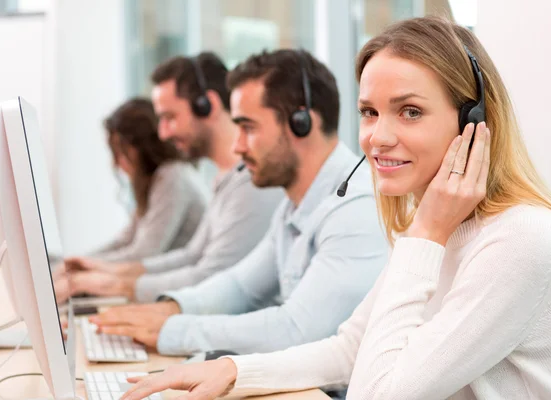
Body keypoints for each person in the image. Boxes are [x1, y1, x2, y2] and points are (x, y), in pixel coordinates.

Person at [118, 17, 551, 400]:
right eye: (369, 111)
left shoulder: (514, 240)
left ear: (473, 123)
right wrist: (233, 371)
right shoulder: (440, 225)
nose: (378, 137)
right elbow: (350, 348)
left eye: (410, 111)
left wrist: (426, 233)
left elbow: (376, 393)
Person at [89, 49, 387, 359]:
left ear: (301, 123)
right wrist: (170, 308)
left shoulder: (355, 209)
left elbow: (295, 330)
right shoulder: (293, 207)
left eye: (248, 128)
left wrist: (174, 329)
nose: (237, 145)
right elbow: (239, 286)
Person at [66, 52, 283, 301]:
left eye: (170, 118)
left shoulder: (251, 184)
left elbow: (209, 276)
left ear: (207, 106)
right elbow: (191, 256)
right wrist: (104, 271)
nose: (163, 133)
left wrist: (111, 284)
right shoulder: (227, 179)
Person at [89, 98, 209, 263]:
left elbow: (144, 254)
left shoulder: (172, 177)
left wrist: (83, 268)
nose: (116, 163)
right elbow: (124, 241)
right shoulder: (156, 182)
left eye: (120, 152)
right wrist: (73, 264)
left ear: (142, 147)